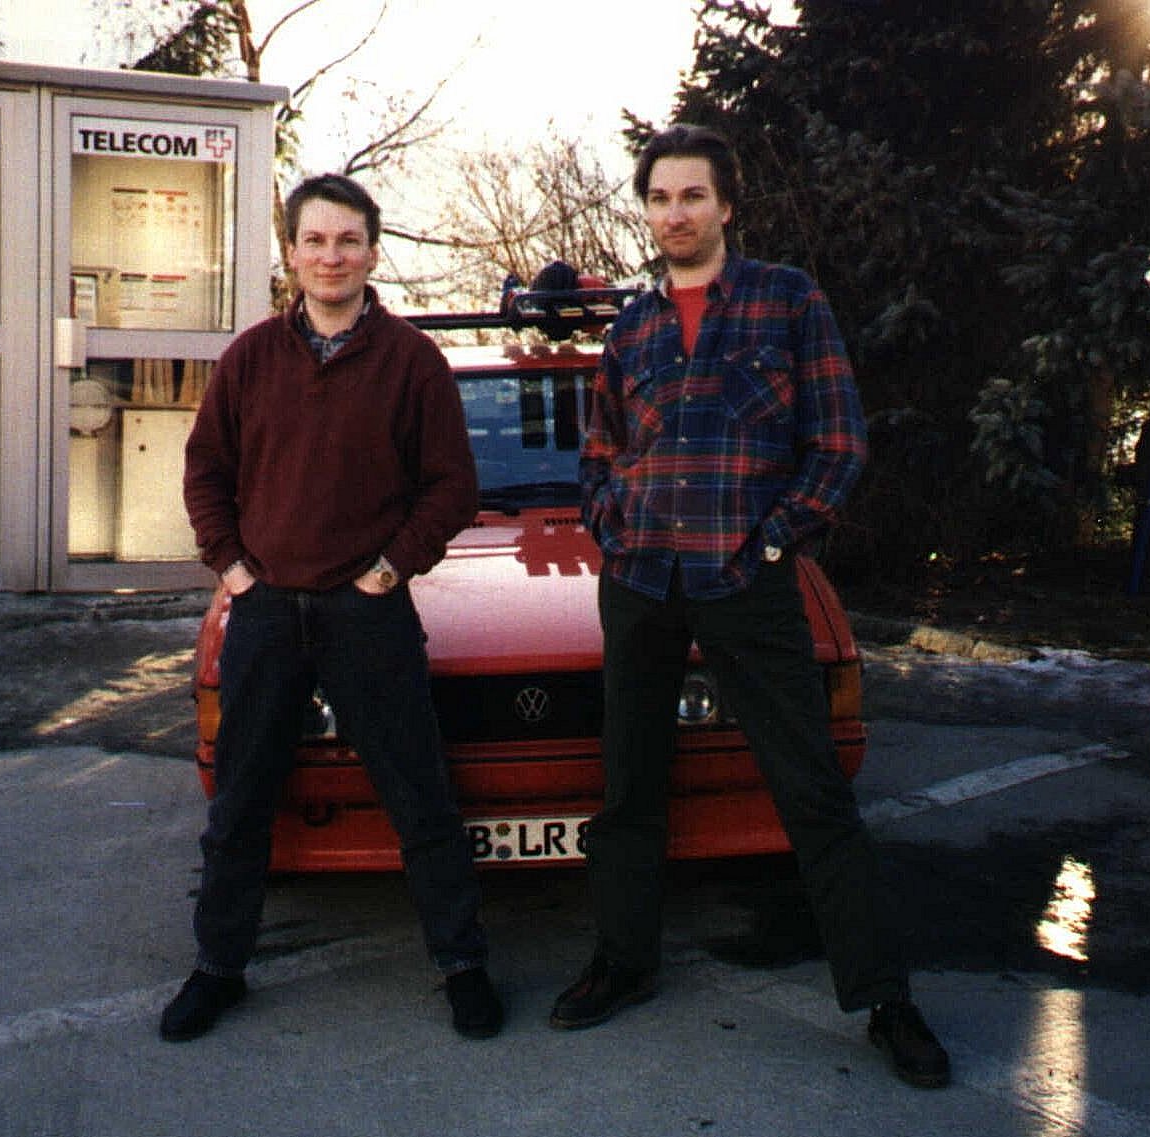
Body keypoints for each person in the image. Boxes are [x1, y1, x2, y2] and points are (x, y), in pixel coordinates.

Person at [552, 125, 950, 1089]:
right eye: (658, 199)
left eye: (693, 197)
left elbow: (840, 444)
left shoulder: (786, 300)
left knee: (812, 792)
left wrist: (773, 539)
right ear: (644, 213)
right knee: (628, 784)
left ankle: (885, 998)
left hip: (745, 582)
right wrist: (611, 525)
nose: (674, 214)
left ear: (727, 206)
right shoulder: (634, 328)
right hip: (642, 583)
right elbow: (599, 451)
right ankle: (623, 959)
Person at [168, 173, 502, 1043]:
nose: (330, 257)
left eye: (347, 241)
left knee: (420, 798)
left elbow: (450, 488)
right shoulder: (249, 359)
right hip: (269, 611)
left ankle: (463, 966)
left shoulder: (411, 363)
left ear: (372, 252)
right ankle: (217, 969)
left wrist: (390, 572)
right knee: (240, 803)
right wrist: (233, 569)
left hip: (368, 614)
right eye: (314, 242)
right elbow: (205, 473)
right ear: (290, 254)